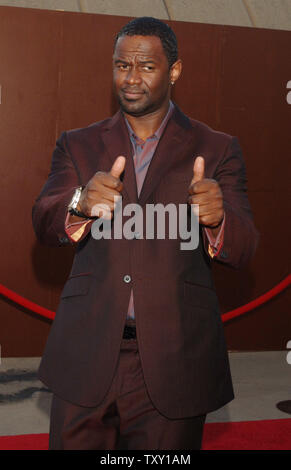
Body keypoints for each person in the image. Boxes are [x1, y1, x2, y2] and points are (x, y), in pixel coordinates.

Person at [32, 17, 259, 450]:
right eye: (121, 65)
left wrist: (218, 220)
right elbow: (44, 220)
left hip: (176, 359)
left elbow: (245, 246)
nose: (130, 78)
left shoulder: (216, 149)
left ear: (174, 70)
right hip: (86, 350)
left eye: (146, 66)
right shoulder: (77, 144)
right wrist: (79, 202)